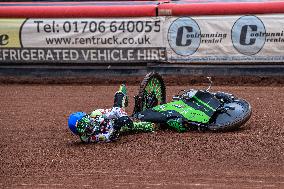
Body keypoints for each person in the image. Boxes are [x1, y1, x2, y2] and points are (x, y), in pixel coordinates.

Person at [68, 84, 154, 143]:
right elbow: (109, 137)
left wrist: (123, 116)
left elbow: (115, 110)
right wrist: (117, 126)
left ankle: (121, 94)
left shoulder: (96, 113)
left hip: (113, 117)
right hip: (115, 127)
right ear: (79, 134)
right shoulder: (87, 138)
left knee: (119, 98)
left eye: (89, 125)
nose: (90, 129)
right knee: (140, 126)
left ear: (88, 117)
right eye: (87, 130)